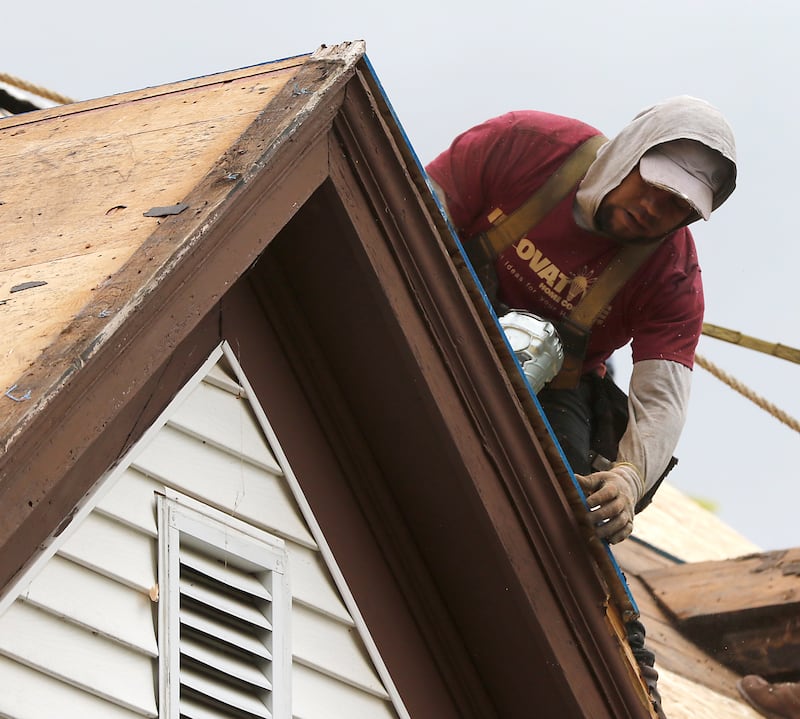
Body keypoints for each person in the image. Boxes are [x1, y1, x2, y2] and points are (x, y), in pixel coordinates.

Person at [425, 96, 737, 718]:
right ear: (630, 152)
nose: (655, 210)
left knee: (565, 515)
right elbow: (416, 204)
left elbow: (663, 397)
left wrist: (626, 478)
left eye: (677, 207)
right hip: (440, 290)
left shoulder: (673, 277)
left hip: (557, 381)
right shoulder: (525, 145)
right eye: (653, 186)